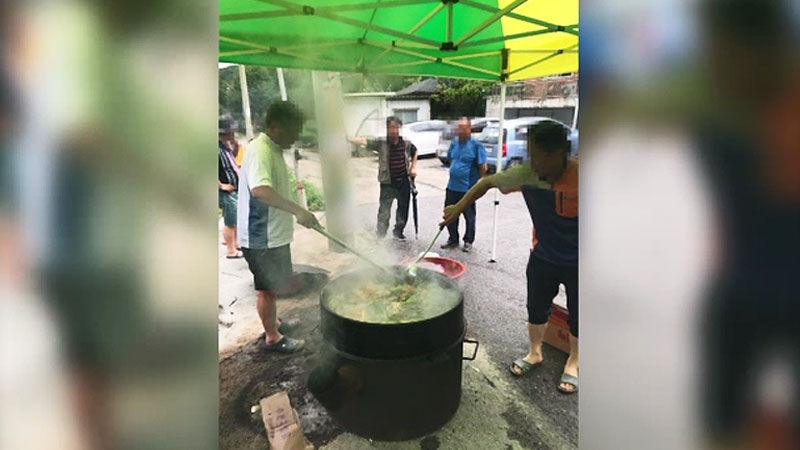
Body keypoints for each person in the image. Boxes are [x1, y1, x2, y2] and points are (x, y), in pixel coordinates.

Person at [440, 120, 579, 393]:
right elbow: (488, 182)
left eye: (540, 155)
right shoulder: (526, 174)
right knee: (536, 308)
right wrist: (459, 206)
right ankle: (535, 352)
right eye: (531, 154)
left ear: (560, 153)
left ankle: (574, 361)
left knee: (580, 314)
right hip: (543, 256)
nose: (533, 162)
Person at [238, 101, 320, 353]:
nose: (295, 137)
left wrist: (296, 210)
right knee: (267, 290)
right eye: (292, 130)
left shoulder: (271, 148)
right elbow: (261, 191)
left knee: (273, 285)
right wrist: (298, 210)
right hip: (261, 237)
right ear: (275, 127)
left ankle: (276, 322)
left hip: (273, 235)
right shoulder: (261, 150)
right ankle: (273, 337)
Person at [352, 116, 418, 240]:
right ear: (387, 129)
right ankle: (380, 234)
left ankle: (398, 231)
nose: (394, 130)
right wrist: (349, 139)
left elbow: (415, 152)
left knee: (403, 209)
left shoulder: (406, 143)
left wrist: (413, 167)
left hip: (404, 181)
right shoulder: (381, 143)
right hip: (388, 182)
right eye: (391, 128)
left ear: (400, 128)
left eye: (396, 127)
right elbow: (364, 140)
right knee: (384, 210)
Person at [441, 117, 488, 252]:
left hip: (467, 189)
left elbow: (483, 168)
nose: (460, 131)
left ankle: (468, 241)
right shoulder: (455, 143)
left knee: (469, 216)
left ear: (469, 129)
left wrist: (474, 183)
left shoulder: (476, 145)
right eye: (459, 128)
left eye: (463, 128)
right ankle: (453, 239)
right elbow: (451, 160)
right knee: (450, 214)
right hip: (452, 187)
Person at [218, 115, 241, 258]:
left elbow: (232, 159)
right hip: (227, 191)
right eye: (231, 132)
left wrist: (236, 146)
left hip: (234, 188)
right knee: (230, 222)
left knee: (236, 218)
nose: (234, 134)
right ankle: (231, 251)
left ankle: (237, 245)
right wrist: (221, 186)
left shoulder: (224, 146)